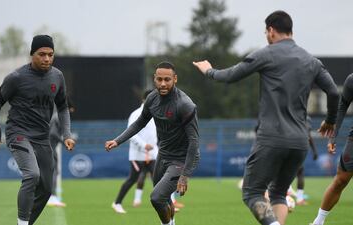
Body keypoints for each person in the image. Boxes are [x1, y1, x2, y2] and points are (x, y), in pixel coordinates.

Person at [193, 10, 339, 225]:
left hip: (272, 137)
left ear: (271, 30)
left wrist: (208, 71)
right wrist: (331, 120)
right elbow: (334, 92)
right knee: (279, 194)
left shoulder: (266, 54)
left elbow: (230, 76)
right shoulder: (311, 60)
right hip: (300, 141)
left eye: (265, 32)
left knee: (252, 192)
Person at [0, 35, 75, 225]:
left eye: (50, 54)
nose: (47, 59)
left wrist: (66, 133)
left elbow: (62, 107)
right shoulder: (16, 78)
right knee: (32, 175)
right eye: (41, 54)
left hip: (42, 137)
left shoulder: (57, 76)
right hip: (18, 134)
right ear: (31, 55)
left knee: (46, 188)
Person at [105, 61, 200, 225]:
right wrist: (117, 140)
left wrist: (184, 176)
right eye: (159, 79)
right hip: (162, 154)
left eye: (167, 79)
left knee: (156, 198)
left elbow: (194, 141)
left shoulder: (185, 105)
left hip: (181, 159)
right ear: (154, 79)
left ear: (175, 79)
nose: (163, 83)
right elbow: (139, 123)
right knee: (162, 200)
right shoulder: (152, 99)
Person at [310, 74, 353, 225]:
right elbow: (342, 107)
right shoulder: (352, 80)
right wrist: (333, 137)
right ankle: (318, 222)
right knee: (341, 180)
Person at [111, 90, 158, 214]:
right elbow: (131, 134)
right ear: (145, 100)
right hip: (138, 155)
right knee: (133, 179)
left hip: (152, 155)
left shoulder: (156, 114)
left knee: (159, 178)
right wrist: (144, 145)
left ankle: (167, 204)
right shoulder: (136, 114)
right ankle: (117, 203)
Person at [47, 100, 76, 207]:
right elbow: (53, 133)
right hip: (49, 148)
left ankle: (48, 196)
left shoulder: (56, 116)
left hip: (48, 147)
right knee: (54, 172)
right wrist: (65, 142)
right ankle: (52, 197)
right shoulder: (59, 117)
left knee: (51, 172)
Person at [294, 116, 318, 206]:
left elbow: (309, 136)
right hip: (297, 147)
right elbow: (308, 134)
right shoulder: (304, 117)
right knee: (299, 172)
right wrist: (314, 151)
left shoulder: (287, 113)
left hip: (283, 145)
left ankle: (283, 195)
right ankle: (299, 198)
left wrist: (314, 150)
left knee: (285, 172)